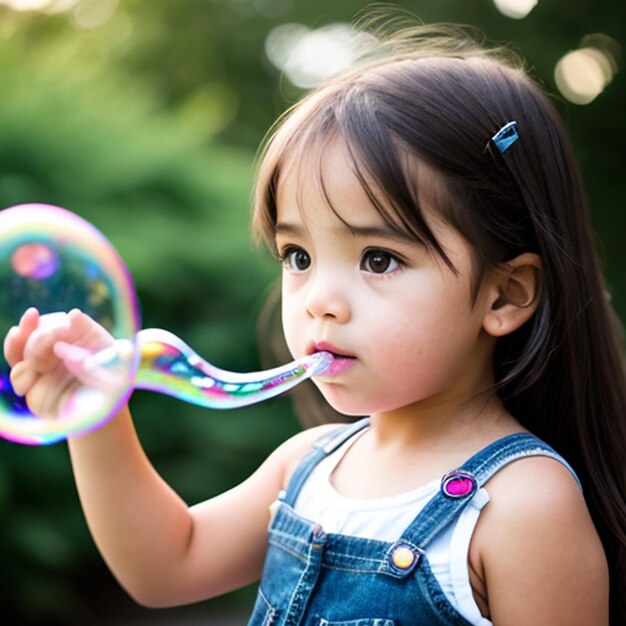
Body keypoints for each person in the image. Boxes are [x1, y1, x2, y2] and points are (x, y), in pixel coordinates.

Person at [4, 21, 625, 626]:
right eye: (298, 256)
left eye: (379, 259)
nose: (319, 300)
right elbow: (166, 566)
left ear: (504, 295)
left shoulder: (525, 506)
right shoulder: (307, 466)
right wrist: (97, 410)